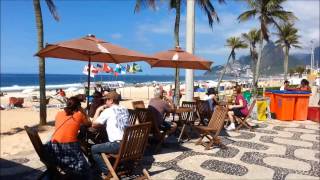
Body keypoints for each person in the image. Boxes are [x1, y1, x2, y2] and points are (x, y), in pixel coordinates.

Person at [48, 96, 91, 177]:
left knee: (77, 137)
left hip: (55, 148)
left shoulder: (59, 113)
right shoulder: (79, 115)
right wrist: (82, 111)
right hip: (69, 148)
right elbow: (88, 124)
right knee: (86, 170)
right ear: (78, 106)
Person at [91, 91, 129, 175]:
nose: (105, 102)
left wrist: (98, 110)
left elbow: (93, 124)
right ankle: (116, 165)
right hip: (129, 144)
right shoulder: (124, 109)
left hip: (118, 146)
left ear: (111, 100)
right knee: (105, 139)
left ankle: (108, 172)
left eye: (106, 100)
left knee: (94, 149)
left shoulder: (108, 111)